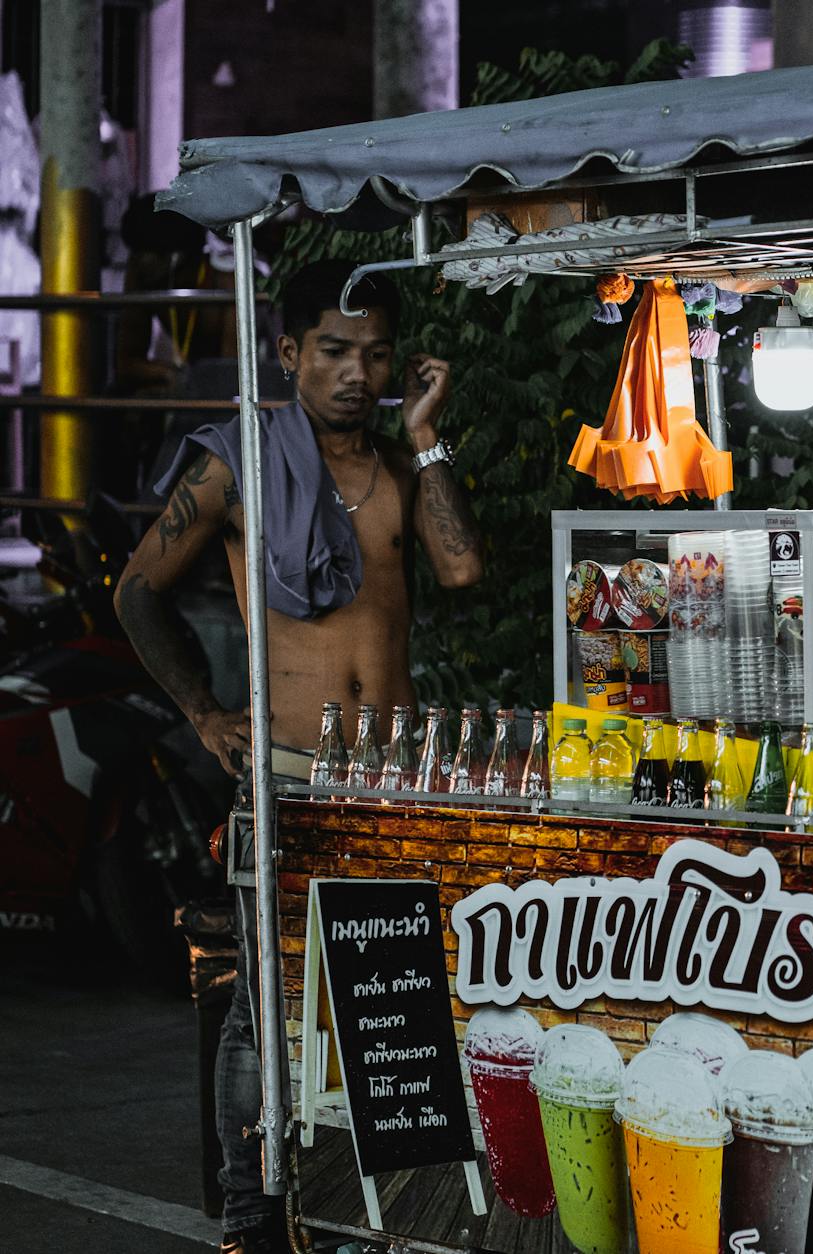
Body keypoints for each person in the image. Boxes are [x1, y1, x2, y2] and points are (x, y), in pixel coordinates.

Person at [115, 259, 483, 1252]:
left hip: (394, 781)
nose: (355, 373)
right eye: (333, 352)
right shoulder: (236, 463)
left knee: (396, 995)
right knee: (267, 1006)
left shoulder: (406, 471)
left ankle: (377, 1213)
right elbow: (138, 589)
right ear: (289, 355)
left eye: (374, 355)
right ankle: (252, 1215)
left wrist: (427, 435)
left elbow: (461, 566)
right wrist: (203, 713)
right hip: (285, 775)